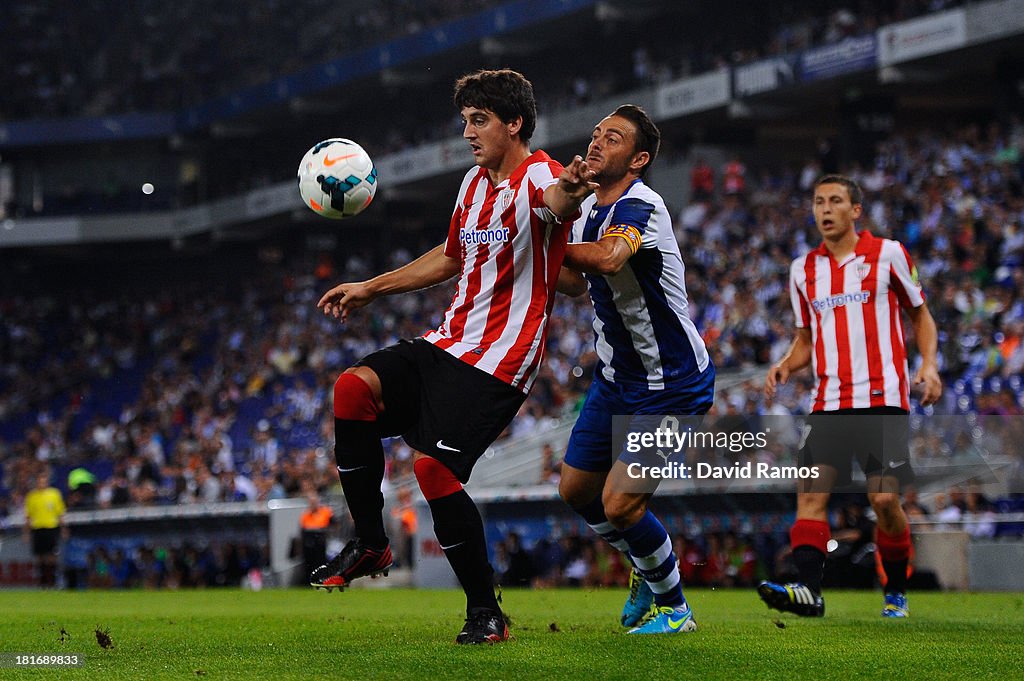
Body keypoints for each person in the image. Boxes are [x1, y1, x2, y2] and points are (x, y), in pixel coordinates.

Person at [309, 68, 594, 644]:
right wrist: (371, 287)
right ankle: (371, 541)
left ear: (514, 124)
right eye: (465, 120)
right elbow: (449, 258)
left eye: (480, 120)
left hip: (501, 361)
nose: (468, 132)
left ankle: (485, 613)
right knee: (351, 389)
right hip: (447, 342)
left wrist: (575, 189)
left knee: (433, 470)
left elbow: (555, 201)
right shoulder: (471, 184)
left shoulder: (540, 175)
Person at [556, 105, 715, 634]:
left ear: (639, 159)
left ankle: (676, 612)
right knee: (576, 491)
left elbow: (605, 260)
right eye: (597, 133)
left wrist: (538, 242)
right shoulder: (585, 211)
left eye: (614, 138)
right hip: (614, 379)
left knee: (621, 504)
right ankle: (647, 566)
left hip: (670, 384)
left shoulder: (643, 204)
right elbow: (577, 283)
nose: (597, 142)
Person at [759, 174, 942, 618]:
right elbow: (805, 337)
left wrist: (929, 364)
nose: (825, 209)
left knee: (883, 501)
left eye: (836, 201)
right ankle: (809, 591)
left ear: (855, 210)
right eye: (819, 201)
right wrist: (787, 362)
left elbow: (921, 315)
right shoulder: (802, 270)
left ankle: (895, 587)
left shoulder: (889, 254)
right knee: (811, 496)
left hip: (883, 398)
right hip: (829, 401)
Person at [23, 470, 67, 588]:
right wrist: (26, 532)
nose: (41, 483)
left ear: (47, 482)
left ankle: (52, 581)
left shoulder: (54, 494)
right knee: (40, 557)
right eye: (39, 481)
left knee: (52, 556)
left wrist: (64, 528)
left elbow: (60, 513)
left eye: (44, 481)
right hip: (37, 528)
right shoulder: (31, 496)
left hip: (51, 528)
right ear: (37, 482)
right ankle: (43, 583)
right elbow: (28, 516)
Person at [299, 490, 333, 583]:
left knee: (321, 562)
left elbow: (333, 525)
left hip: (321, 541)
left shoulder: (325, 512)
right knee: (309, 563)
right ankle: (309, 581)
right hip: (309, 542)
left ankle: (322, 579)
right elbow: (303, 528)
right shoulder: (306, 514)